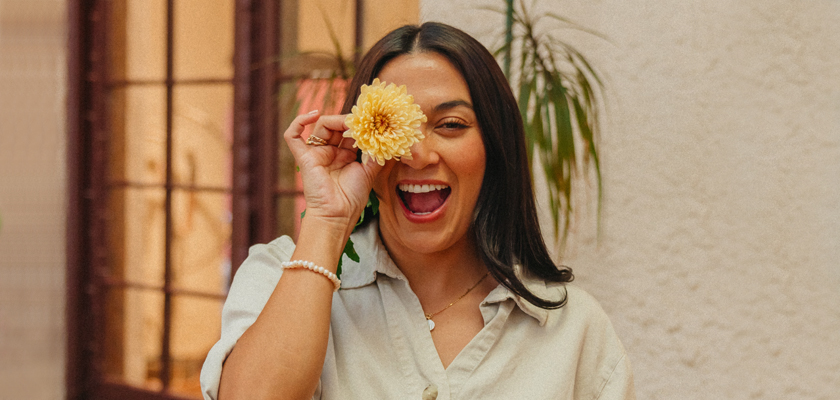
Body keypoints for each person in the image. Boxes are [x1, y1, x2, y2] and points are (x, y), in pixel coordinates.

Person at [200, 22, 634, 400]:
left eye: (451, 125)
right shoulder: (277, 276)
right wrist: (328, 222)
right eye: (391, 125)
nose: (418, 154)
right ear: (360, 139)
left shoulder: (574, 330)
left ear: (494, 148)